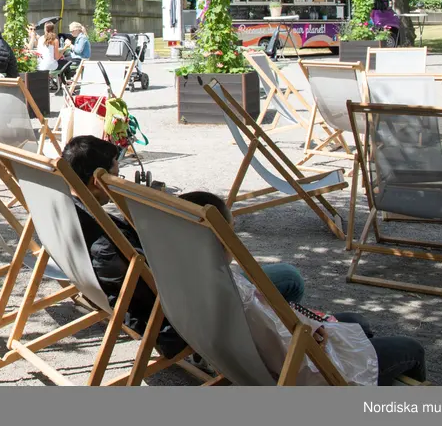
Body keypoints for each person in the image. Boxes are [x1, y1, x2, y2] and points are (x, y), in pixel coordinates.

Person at [63, 136, 306, 358]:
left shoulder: (68, 215)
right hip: (184, 316)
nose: (118, 181)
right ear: (97, 181)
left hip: (150, 308)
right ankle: (271, 352)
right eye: (116, 175)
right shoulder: (106, 244)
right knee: (289, 278)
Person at [180, 191, 427, 386]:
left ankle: (378, 365)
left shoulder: (183, 275)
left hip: (264, 358)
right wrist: (308, 333)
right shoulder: (236, 296)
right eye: (231, 231)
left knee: (356, 322)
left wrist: (310, 327)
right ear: (220, 239)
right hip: (305, 374)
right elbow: (284, 345)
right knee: (411, 349)